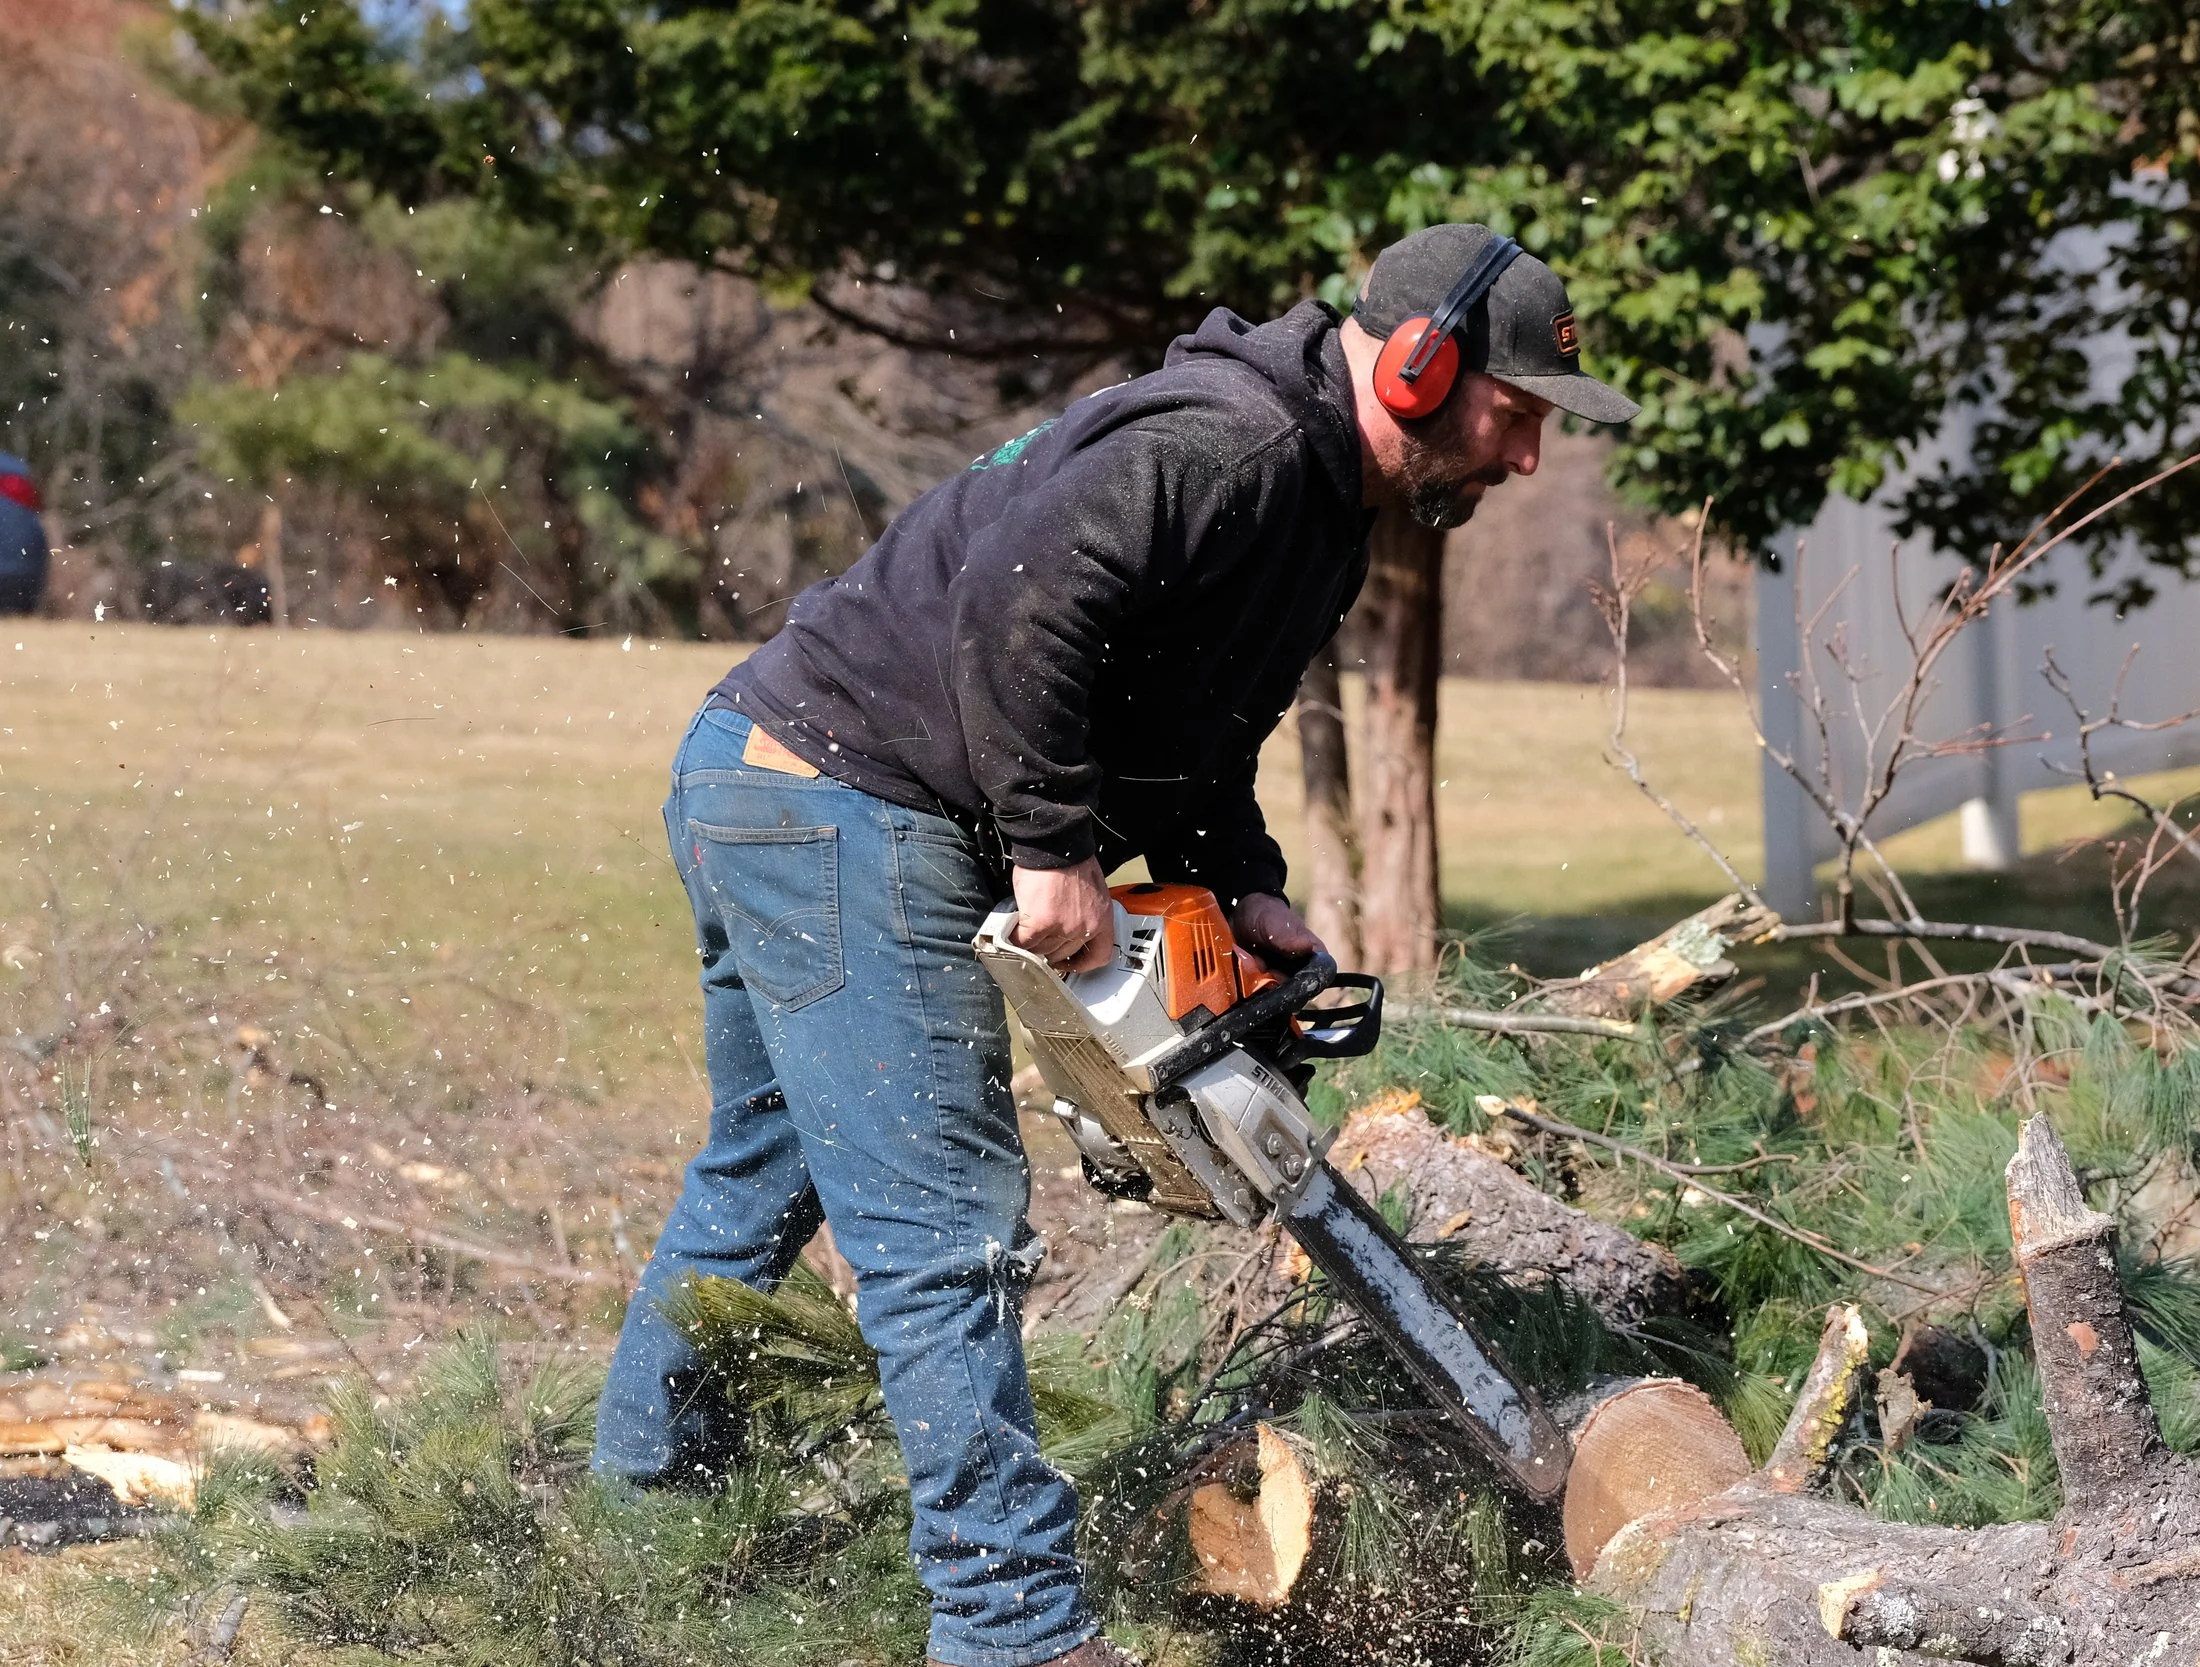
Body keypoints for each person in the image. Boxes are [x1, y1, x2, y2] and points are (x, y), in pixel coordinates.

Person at [592, 222, 1639, 1667]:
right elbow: (1022, 603)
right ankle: (1017, 1630)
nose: (1526, 457)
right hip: (847, 795)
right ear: (1418, 362)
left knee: (756, 1183)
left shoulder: (1312, 499)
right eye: (1514, 415)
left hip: (768, 771)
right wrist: (1053, 845)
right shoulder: (1236, 445)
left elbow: (1189, 721)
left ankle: (633, 1536)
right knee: (941, 1231)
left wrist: (1242, 886)